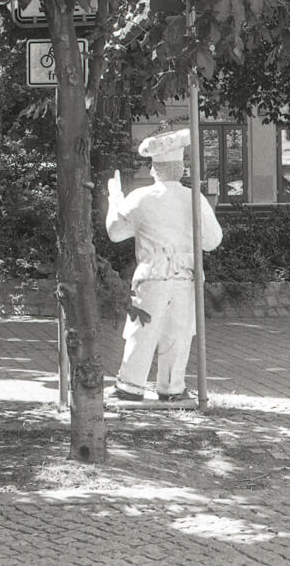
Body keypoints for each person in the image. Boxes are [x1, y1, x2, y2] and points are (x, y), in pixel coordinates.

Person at [104, 128, 223, 402]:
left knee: (142, 331)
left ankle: (130, 386)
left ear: (154, 170)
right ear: (181, 169)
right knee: (178, 333)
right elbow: (213, 240)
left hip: (152, 275)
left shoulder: (140, 197)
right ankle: (172, 388)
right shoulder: (194, 198)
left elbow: (115, 232)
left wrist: (115, 200)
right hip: (186, 276)